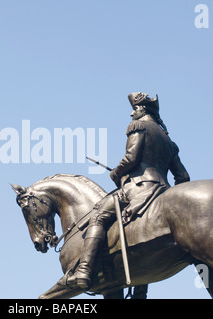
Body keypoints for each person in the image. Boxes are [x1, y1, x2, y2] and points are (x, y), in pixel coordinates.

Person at [69, 92, 190, 290]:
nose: (131, 114)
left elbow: (131, 157)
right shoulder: (168, 141)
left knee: (98, 216)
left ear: (141, 109)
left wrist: (116, 173)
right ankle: (140, 291)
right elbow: (183, 177)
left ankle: (84, 270)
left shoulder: (138, 126)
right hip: (162, 191)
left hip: (138, 188)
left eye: (134, 109)